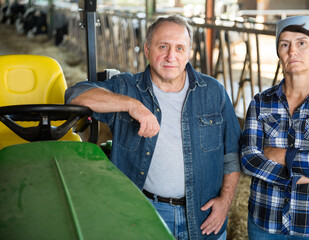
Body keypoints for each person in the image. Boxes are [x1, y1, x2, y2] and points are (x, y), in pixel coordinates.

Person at [65, 15, 241, 240]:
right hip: (144, 211)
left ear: (188, 53)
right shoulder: (128, 87)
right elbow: (74, 96)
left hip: (203, 215)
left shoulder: (213, 92)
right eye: (163, 47)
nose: (171, 56)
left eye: (179, 48)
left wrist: (225, 202)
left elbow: (232, 155)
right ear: (147, 50)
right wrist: (131, 105)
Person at [240, 15, 309, 239]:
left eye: (302, 43)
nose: (293, 51)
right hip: (265, 222)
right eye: (285, 44)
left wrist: (277, 154)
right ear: (279, 53)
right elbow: (248, 159)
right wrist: (307, 172)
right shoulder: (261, 102)